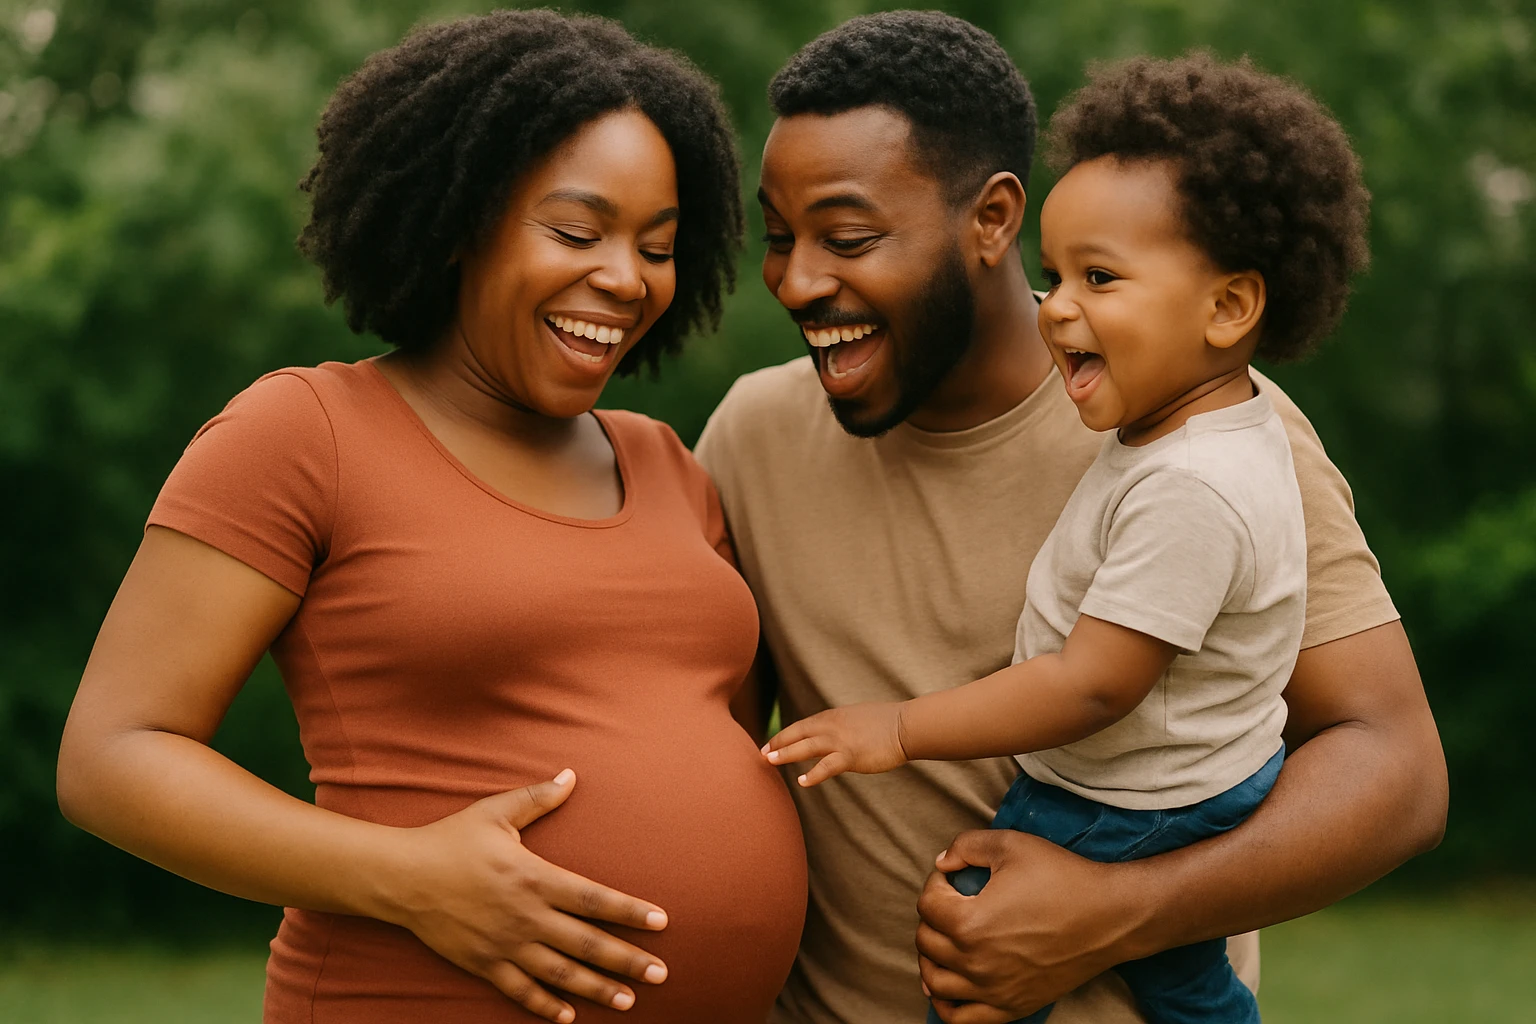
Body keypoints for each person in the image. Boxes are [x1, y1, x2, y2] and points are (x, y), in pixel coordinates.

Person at [693, 11, 1447, 1024]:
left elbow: (1396, 774)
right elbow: (696, 746)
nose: (796, 280)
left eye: (849, 237)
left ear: (993, 220)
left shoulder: (1213, 442)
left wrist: (1119, 911)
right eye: (780, 240)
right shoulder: (754, 436)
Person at [55, 11, 805, 1024]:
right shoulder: (305, 432)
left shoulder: (669, 464)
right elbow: (112, 757)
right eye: (577, 232)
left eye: (658, 246)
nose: (626, 279)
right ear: (460, 220)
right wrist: (409, 875)